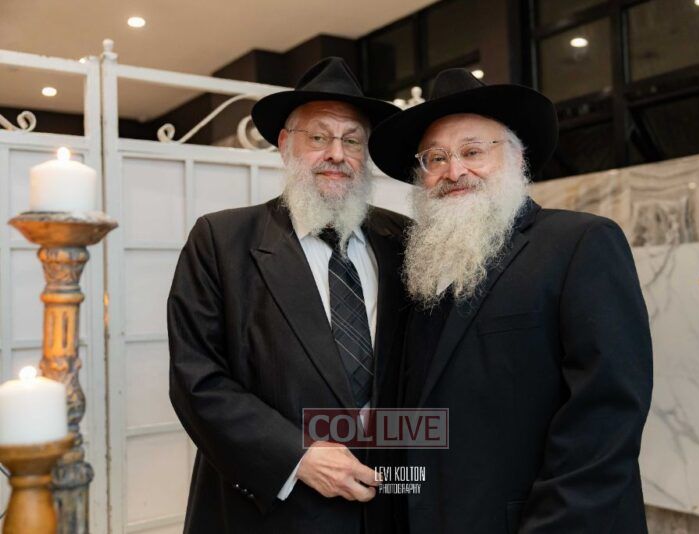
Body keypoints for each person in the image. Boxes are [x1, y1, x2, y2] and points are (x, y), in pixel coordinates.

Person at [368, 68, 653, 534]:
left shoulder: (580, 242)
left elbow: (606, 413)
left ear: (517, 158)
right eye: (436, 158)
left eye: (473, 151)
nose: (454, 172)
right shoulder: (422, 270)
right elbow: (420, 414)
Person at [168, 57, 407, 533]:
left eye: (352, 140)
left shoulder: (404, 240)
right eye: (318, 137)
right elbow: (197, 378)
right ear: (284, 145)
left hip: (387, 503)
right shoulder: (221, 240)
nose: (336, 154)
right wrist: (296, 456)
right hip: (271, 510)